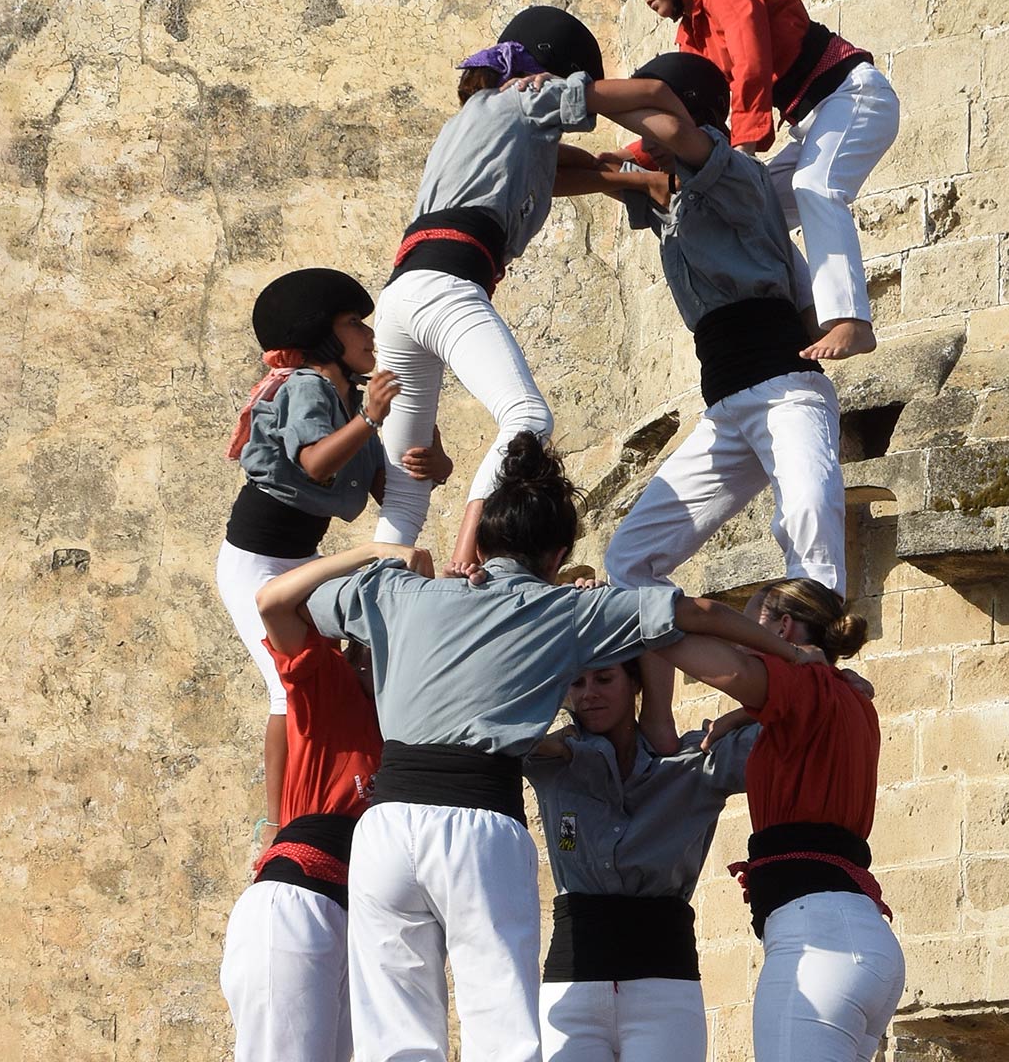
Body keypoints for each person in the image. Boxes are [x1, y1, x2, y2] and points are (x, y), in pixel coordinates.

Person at [303, 432, 828, 1062]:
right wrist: (791, 652)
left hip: (385, 826)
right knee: (501, 1028)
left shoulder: (401, 592)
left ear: (486, 544)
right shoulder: (561, 611)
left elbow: (309, 601)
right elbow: (702, 612)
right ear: (556, 556)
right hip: (476, 820)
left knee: (391, 1033)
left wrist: (392, 561)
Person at [370, 6, 723, 574]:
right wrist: (684, 133)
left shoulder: (479, 120)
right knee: (528, 418)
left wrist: (632, 181)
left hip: (402, 295)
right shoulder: (525, 99)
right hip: (446, 286)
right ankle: (468, 553)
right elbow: (651, 90)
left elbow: (557, 170)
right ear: (551, 72)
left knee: (407, 489)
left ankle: (370, 627)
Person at [563, 52, 844, 683]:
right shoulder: (664, 195)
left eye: (653, 123)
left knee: (808, 513)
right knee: (629, 560)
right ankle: (745, 668)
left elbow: (671, 123)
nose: (645, 143)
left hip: (783, 390)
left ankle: (819, 666)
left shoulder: (737, 177)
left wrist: (573, 90)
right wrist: (520, 121)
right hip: (725, 408)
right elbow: (570, 172)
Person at [605, 0, 900, 363]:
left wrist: (744, 144)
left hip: (853, 96)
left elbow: (751, 63)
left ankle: (850, 320)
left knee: (815, 186)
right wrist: (634, 155)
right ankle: (806, 312)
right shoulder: (690, 34)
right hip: (813, 120)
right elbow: (692, 112)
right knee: (762, 211)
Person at [221, 266, 450, 823]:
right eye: (355, 324)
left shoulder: (350, 404)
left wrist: (436, 464)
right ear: (323, 337)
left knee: (346, 659)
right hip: (256, 561)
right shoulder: (308, 389)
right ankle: (277, 823)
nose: (369, 336)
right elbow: (314, 463)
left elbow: (382, 487)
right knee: (284, 684)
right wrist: (372, 419)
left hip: (301, 557)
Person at [220, 538, 422, 1062]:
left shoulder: (405, 723)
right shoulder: (329, 681)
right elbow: (272, 604)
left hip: (353, 918)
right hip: (297, 902)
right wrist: (369, 550)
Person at [524, 660, 758, 1062]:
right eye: (576, 683)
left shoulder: (693, 763)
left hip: (663, 987)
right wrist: (548, 735)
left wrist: (819, 680)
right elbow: (481, 722)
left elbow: (792, 726)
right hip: (573, 987)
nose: (589, 693)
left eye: (604, 678)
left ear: (636, 683)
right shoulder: (552, 763)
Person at [718, 578, 904, 1062]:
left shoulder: (806, 683)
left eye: (749, 622)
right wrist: (738, 718)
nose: (741, 635)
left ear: (783, 627)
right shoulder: (846, 696)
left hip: (817, 939)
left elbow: (702, 653)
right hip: (858, 937)